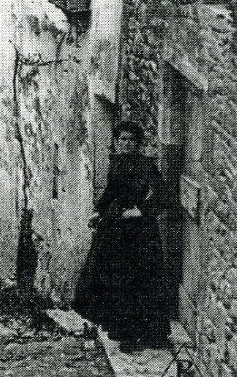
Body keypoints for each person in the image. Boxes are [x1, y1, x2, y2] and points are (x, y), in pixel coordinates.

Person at [73, 120, 170, 353]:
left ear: (138, 144)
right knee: (115, 280)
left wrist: (141, 210)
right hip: (116, 230)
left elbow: (164, 194)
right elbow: (111, 191)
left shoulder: (146, 165)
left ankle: (139, 335)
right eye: (122, 140)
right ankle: (121, 330)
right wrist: (99, 211)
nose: (126, 144)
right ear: (116, 142)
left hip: (140, 234)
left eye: (131, 140)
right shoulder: (116, 163)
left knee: (138, 282)